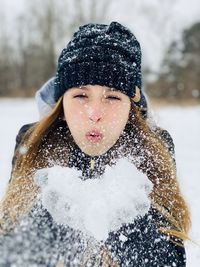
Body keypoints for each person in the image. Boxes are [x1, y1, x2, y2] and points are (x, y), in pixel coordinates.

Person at [0, 21, 190, 266]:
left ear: (130, 108)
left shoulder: (153, 151)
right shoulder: (34, 145)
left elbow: (168, 257)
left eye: (112, 97)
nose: (94, 113)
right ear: (62, 105)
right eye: (80, 95)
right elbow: (11, 249)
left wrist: (126, 216)